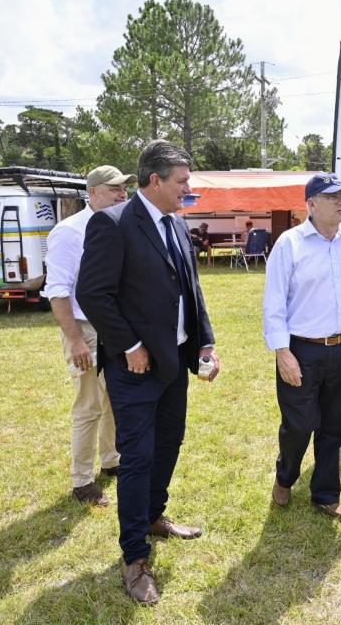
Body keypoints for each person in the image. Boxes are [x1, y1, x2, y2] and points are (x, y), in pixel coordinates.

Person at [77, 140, 220, 605]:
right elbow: (94, 294)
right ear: (154, 181)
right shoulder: (111, 223)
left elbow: (191, 288)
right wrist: (130, 346)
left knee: (169, 443)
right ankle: (135, 557)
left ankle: (154, 516)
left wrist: (206, 342)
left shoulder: (176, 224)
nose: (188, 189)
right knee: (136, 458)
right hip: (135, 366)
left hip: (174, 362)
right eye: (182, 182)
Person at [263, 172, 341, 523]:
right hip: (303, 349)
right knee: (298, 424)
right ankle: (286, 476)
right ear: (311, 204)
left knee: (334, 426)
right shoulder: (290, 244)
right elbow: (274, 305)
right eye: (332, 197)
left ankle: (326, 494)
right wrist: (283, 352)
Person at [44, 165, 135, 506]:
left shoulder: (118, 225)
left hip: (112, 328)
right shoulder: (69, 232)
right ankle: (82, 482)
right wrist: (76, 339)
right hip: (84, 329)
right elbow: (57, 291)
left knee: (113, 399)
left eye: (124, 187)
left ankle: (111, 460)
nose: (122, 193)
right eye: (114, 188)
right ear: (93, 192)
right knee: (88, 405)